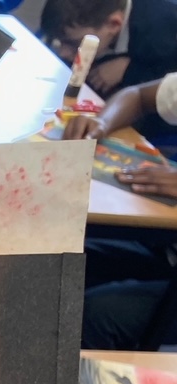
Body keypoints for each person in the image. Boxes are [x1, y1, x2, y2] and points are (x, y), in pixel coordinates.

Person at [64, 74, 177, 348]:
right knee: (59, 256)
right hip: (165, 247)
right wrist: (102, 123)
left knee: (96, 315)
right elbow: (137, 95)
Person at [41, 0, 177, 102]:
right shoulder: (87, 26)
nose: (63, 53)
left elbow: (170, 86)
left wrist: (130, 70)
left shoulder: (162, 30)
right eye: (58, 41)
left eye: (74, 43)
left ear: (113, 24)